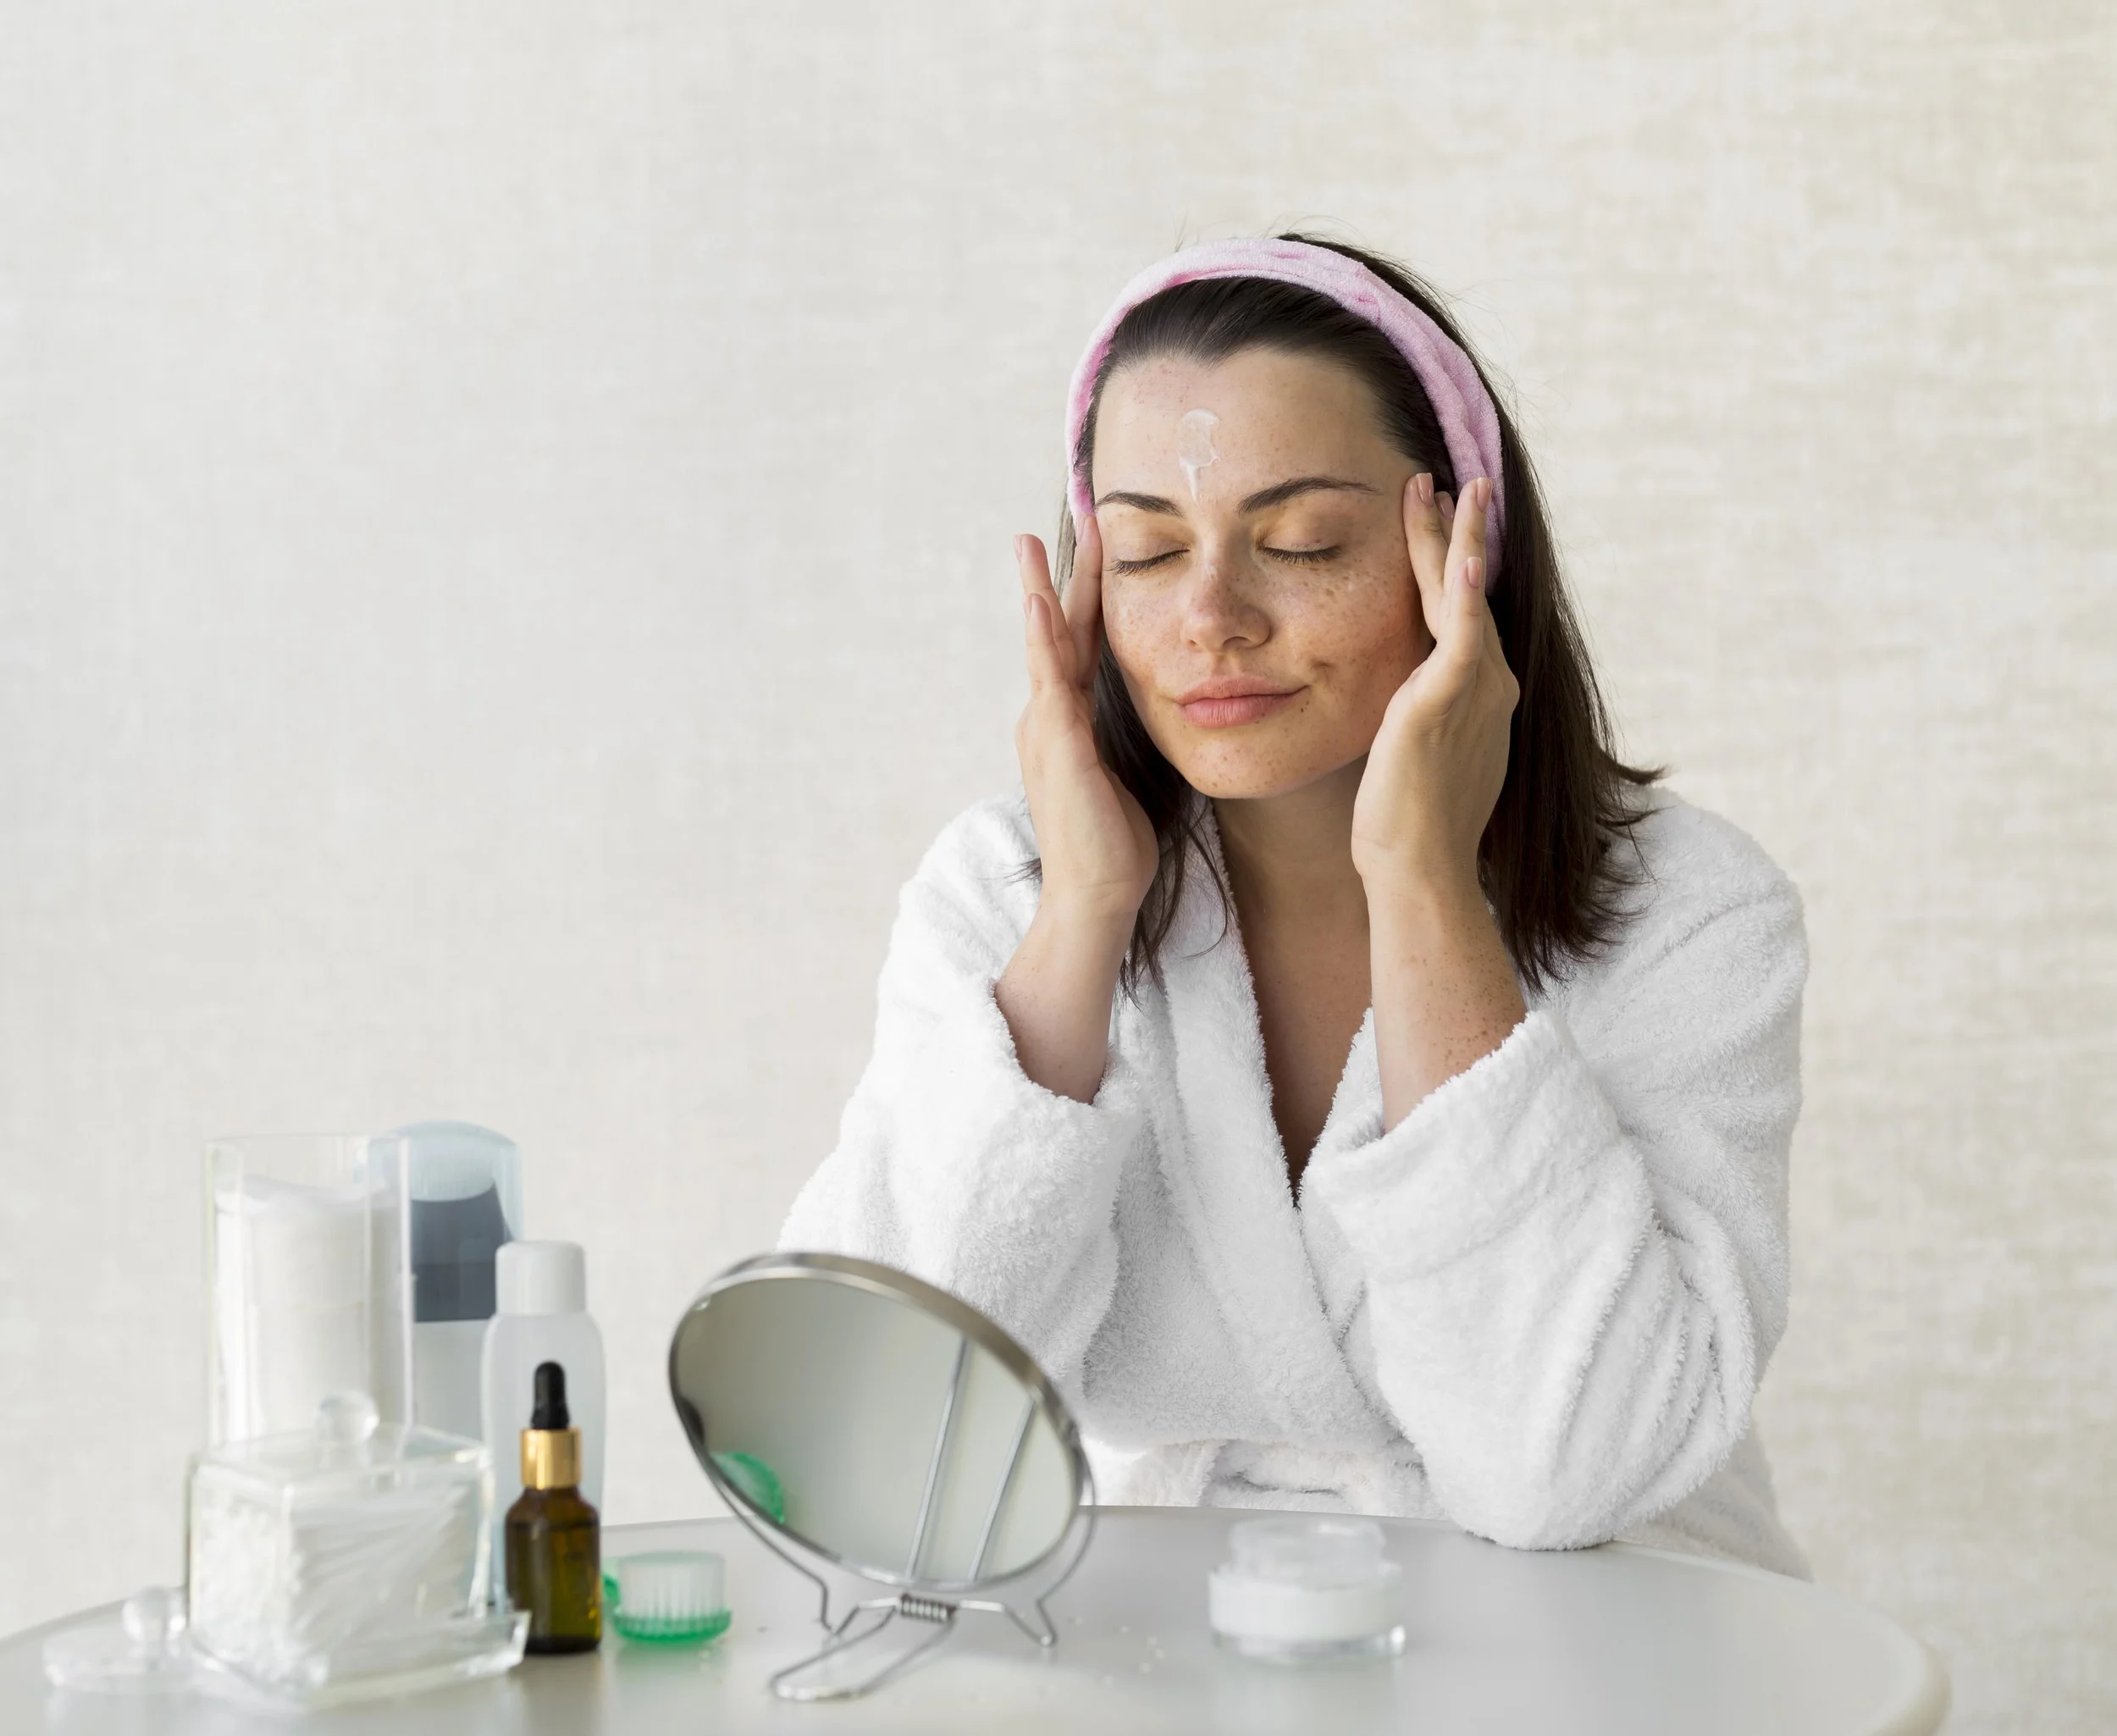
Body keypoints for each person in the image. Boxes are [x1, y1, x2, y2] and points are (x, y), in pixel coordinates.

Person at [781, 234, 1809, 1577]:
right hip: (1171, 1641)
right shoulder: (1004, 896)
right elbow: (873, 1421)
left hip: (1610, 1651)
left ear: (1466, 549)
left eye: (1301, 540)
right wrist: (1085, 909)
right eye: (1148, 551)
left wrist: (1430, 888)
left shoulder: (1687, 912)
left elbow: (1569, 1467)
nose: (1211, 616)